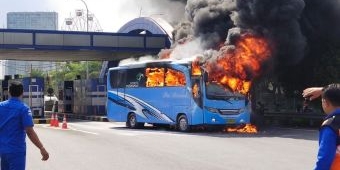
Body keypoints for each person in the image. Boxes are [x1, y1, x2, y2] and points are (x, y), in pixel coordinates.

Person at [0, 81, 49, 170]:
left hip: (2, 150)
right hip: (16, 151)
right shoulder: (23, 108)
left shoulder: (1, 106)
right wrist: (41, 148)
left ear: (9, 92)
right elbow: (30, 132)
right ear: (22, 92)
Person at [306, 84, 340, 170]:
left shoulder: (331, 125)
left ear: (326, 103)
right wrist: (324, 90)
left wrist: (324, 90)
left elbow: (324, 159)